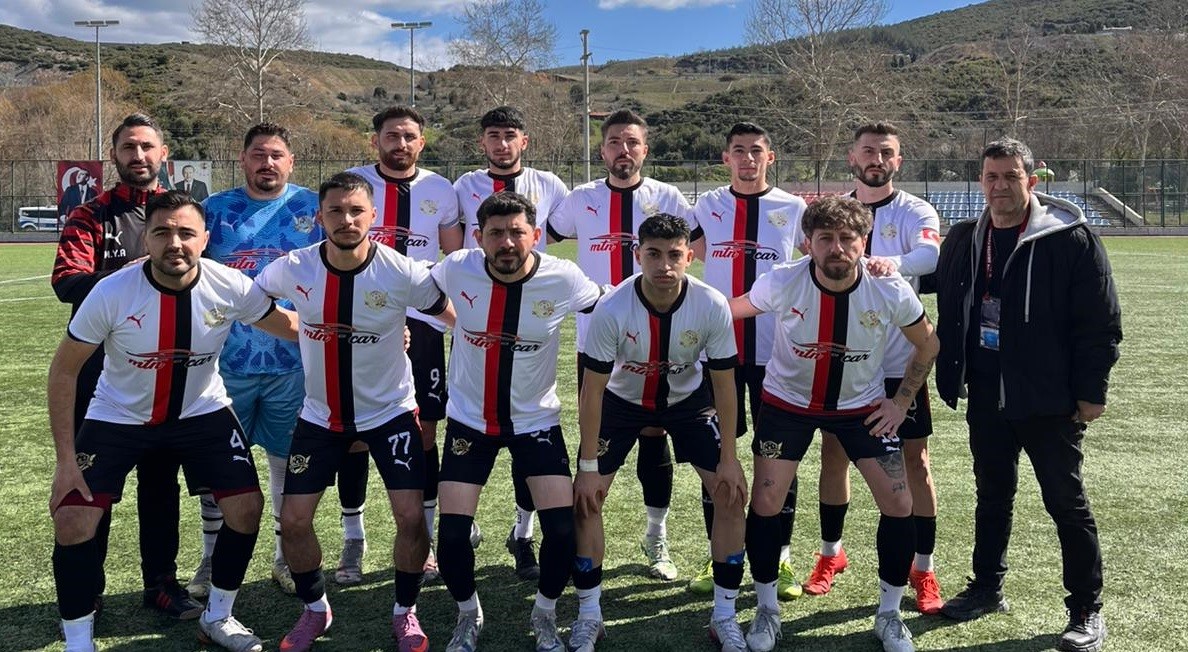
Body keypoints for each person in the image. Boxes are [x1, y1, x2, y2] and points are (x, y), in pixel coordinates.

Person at [48, 190, 299, 652]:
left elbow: (290, 326)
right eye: (162, 232)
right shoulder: (111, 291)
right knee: (72, 518)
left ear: (205, 239)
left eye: (186, 232)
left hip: (201, 410)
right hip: (118, 415)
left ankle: (217, 616)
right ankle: (78, 642)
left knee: (246, 509)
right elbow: (64, 371)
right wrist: (66, 460)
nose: (175, 242)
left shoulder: (231, 285)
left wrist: (374, 329)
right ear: (146, 239)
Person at [730, 195, 939, 652]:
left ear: (864, 242)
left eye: (847, 238)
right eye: (826, 238)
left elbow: (928, 344)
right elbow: (730, 310)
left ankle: (889, 615)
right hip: (787, 405)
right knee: (765, 501)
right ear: (808, 242)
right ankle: (766, 610)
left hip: (860, 408)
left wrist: (901, 403)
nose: (837, 248)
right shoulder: (782, 280)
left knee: (899, 502)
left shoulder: (889, 288)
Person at [936, 138, 1121, 652]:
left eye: (1010, 177)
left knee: (1066, 502)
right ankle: (986, 588)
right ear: (981, 182)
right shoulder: (965, 237)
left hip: (1048, 397)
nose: (999, 186)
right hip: (986, 392)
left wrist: (1092, 392)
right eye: (991, 177)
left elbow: (1100, 322)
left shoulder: (1071, 238)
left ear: (1031, 181)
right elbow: (944, 293)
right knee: (991, 495)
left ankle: (1086, 608)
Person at [259, 172, 455, 652]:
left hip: (390, 413)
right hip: (320, 416)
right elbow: (251, 304)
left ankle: (405, 612)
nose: (346, 220)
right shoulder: (295, 267)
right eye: (335, 211)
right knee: (294, 520)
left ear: (373, 216)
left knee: (411, 517)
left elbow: (451, 316)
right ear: (319, 217)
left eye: (355, 211)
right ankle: (315, 609)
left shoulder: (402, 271)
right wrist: (303, 329)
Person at [430, 191, 601, 652]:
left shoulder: (563, 277)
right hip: (470, 422)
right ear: (478, 237)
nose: (507, 242)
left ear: (536, 234)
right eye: (496, 233)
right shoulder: (456, 268)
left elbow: (610, 306)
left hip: (535, 421)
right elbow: (413, 294)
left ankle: (544, 614)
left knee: (562, 531)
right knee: (451, 537)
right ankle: (468, 614)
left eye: (517, 232)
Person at [572, 213, 748, 652]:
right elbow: (591, 392)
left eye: (674, 255)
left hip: (687, 403)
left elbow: (725, 385)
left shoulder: (711, 304)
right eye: (653, 254)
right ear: (638, 256)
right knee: (586, 499)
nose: (664, 265)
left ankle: (725, 616)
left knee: (729, 494)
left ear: (690, 256)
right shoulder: (613, 307)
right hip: (622, 404)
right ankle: (590, 615)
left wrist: (730, 457)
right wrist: (588, 466)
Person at [51, 113, 200, 621]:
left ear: (164, 154)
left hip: (165, 374)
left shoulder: (182, 215)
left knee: (161, 486)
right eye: (128, 147)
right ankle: (88, 588)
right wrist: (137, 273)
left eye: (147, 147)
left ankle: (160, 583)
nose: (138, 156)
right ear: (113, 155)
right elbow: (67, 282)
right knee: (94, 488)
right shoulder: (91, 215)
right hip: (100, 378)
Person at [551, 109, 699, 582]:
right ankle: (584, 545)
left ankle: (656, 536)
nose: (623, 150)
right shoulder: (581, 198)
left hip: (659, 340)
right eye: (615, 142)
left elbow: (694, 251)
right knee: (594, 440)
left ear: (645, 150)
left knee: (655, 435)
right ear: (602, 150)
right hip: (597, 340)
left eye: (632, 142)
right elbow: (539, 242)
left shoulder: (668, 197)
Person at [807, 122, 945, 615]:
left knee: (915, 462)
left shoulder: (915, 210)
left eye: (886, 152)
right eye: (868, 150)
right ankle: (831, 554)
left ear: (898, 161)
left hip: (900, 362)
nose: (876, 159)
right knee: (834, 455)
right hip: (847, 359)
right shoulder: (833, 211)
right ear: (852, 157)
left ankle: (923, 568)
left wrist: (882, 261)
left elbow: (928, 255)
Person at [190, 122, 324, 598]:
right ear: (243, 159)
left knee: (288, 465)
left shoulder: (314, 207)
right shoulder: (215, 210)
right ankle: (210, 558)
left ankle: (285, 556)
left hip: (296, 363)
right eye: (258, 154)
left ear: (291, 161)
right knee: (219, 469)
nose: (267, 163)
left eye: (276, 155)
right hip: (226, 365)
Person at [343, 105, 466, 585]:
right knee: (353, 431)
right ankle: (354, 538)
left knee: (425, 430)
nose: (400, 144)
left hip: (425, 322)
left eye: (409, 136)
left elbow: (454, 257)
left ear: (422, 142)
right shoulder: (353, 183)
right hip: (360, 319)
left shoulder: (441, 189)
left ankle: (425, 536)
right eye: (391, 135)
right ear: (374, 140)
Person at [452, 106, 571, 580]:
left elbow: (555, 238)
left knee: (524, 423)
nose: (501, 144)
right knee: (470, 415)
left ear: (524, 141)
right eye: (493, 136)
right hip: (477, 310)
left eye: (510, 135)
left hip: (531, 313)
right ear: (482, 142)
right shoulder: (463, 185)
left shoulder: (550, 184)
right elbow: (452, 252)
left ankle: (523, 533)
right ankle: (463, 522)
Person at [688, 121, 806, 600]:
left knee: (777, 455)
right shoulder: (707, 206)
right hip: (718, 354)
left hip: (777, 353)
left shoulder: (792, 208)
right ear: (726, 158)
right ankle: (719, 552)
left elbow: (815, 260)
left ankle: (781, 557)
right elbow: (689, 255)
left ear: (770, 157)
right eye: (738, 150)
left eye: (756, 150)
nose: (748, 158)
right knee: (715, 454)